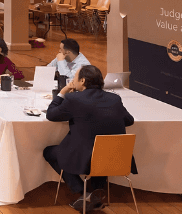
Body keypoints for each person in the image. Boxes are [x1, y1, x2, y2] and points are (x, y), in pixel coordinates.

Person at [43, 65, 135, 212]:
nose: (73, 81)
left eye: (75, 78)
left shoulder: (74, 99)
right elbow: (129, 120)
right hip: (116, 157)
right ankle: (94, 193)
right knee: (101, 148)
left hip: (86, 158)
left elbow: (51, 115)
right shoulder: (115, 98)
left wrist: (62, 93)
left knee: (50, 152)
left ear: (83, 81)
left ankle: (83, 193)